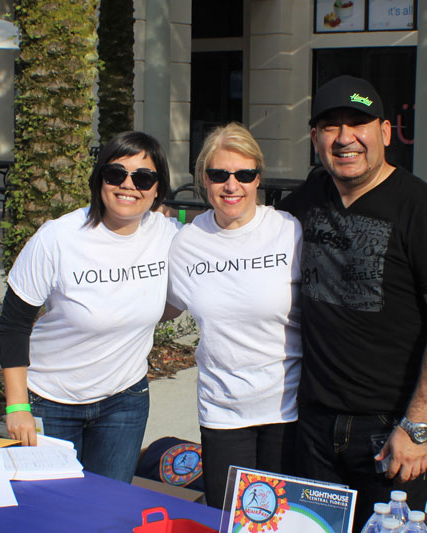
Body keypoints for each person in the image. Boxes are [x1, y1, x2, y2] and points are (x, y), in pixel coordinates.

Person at [278, 75, 427, 529]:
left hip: (392, 430)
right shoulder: (307, 200)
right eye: (330, 127)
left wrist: (418, 425)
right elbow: (242, 229)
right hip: (313, 426)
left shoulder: (425, 211)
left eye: (357, 124)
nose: (345, 138)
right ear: (315, 139)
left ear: (384, 132)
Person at [0, 131, 181, 483]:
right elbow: (14, 324)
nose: (129, 185)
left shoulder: (168, 234)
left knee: (109, 511)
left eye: (143, 178)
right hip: (51, 402)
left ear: (157, 189)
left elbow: (218, 234)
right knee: (53, 511)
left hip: (124, 402)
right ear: (100, 179)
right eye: (116, 174)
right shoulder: (58, 238)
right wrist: (17, 406)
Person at [166, 122, 302, 508]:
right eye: (219, 175)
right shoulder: (187, 243)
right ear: (203, 180)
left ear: (258, 178)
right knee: (228, 519)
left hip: (286, 408)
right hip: (223, 410)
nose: (232, 185)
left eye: (244, 174)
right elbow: (163, 306)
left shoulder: (288, 230)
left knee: (281, 523)